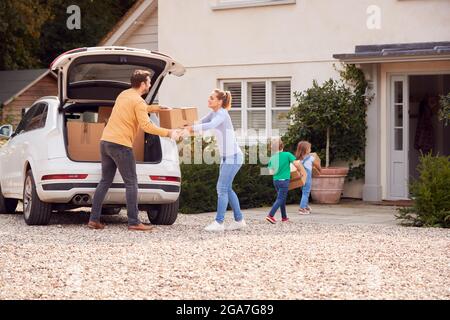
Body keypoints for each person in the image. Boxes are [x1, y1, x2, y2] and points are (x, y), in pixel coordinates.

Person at [88, 70, 181, 231]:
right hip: (121, 145)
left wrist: (156, 108)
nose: (150, 84)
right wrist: (169, 133)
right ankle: (133, 221)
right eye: (149, 82)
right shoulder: (138, 102)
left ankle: (94, 219)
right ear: (143, 84)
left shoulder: (124, 94)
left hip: (106, 142)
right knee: (131, 183)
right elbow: (147, 126)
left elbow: (138, 107)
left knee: (105, 181)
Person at [185, 89, 245, 232]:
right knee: (227, 188)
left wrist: (191, 128)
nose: (209, 100)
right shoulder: (214, 113)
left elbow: (210, 126)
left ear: (219, 102)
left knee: (222, 188)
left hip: (233, 157)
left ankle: (219, 223)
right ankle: (239, 220)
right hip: (227, 157)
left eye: (212, 98)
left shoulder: (222, 114)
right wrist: (186, 127)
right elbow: (202, 122)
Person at [265, 138, 302, 224]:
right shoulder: (287, 154)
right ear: (282, 146)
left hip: (276, 181)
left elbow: (271, 172)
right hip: (284, 181)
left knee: (282, 198)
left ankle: (284, 218)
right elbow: (296, 163)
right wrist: (300, 171)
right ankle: (270, 215)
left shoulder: (272, 158)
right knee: (280, 198)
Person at [295, 141, 321, 215]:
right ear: (305, 150)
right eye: (309, 148)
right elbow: (317, 166)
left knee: (304, 192)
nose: (310, 149)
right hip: (307, 178)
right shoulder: (311, 158)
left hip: (300, 179)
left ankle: (306, 206)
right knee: (306, 193)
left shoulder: (297, 159)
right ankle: (302, 208)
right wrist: (320, 170)